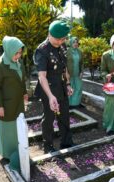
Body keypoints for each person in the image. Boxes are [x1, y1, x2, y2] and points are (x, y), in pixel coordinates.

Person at [34, 20, 75, 153]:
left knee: (64, 115)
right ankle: (48, 145)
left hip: (62, 87)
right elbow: (42, 76)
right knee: (49, 118)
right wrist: (50, 96)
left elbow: (64, 68)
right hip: (49, 89)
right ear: (49, 34)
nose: (60, 42)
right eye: (57, 39)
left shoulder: (62, 47)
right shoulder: (42, 50)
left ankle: (66, 142)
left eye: (63, 39)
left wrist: (68, 83)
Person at [0, 36, 28, 171]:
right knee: (6, 130)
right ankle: (7, 154)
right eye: (16, 53)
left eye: (20, 52)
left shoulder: (19, 63)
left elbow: (21, 79)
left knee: (16, 128)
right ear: (8, 50)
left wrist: (24, 92)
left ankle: (16, 152)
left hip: (17, 102)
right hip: (5, 105)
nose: (18, 56)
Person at [67, 37, 83, 108]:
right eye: (74, 42)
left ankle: (77, 103)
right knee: (70, 88)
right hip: (69, 74)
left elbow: (82, 63)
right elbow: (64, 63)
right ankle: (69, 104)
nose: (75, 44)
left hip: (77, 74)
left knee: (78, 88)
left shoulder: (80, 52)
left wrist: (82, 71)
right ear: (70, 43)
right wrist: (66, 73)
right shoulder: (67, 52)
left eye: (76, 42)